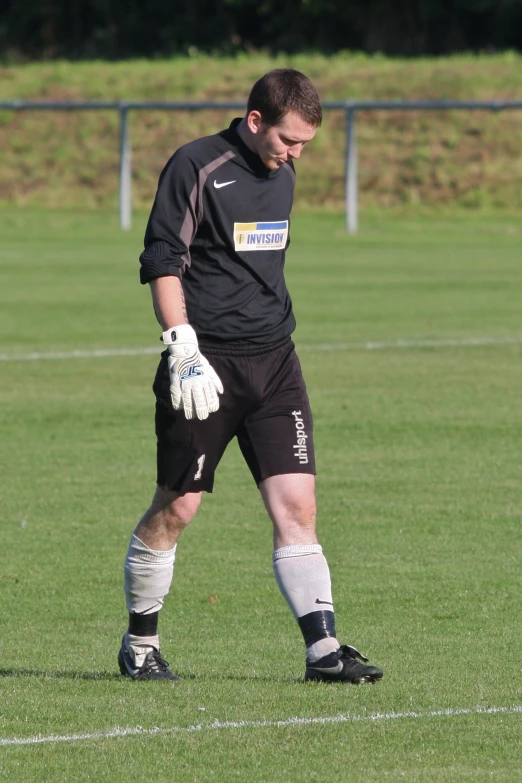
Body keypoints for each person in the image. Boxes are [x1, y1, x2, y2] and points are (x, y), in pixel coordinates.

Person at [118, 68, 383, 685]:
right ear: (256, 121)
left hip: (275, 362)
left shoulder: (281, 171)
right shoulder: (196, 166)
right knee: (177, 507)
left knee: (298, 505)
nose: (295, 156)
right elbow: (163, 259)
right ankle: (139, 645)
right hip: (204, 367)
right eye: (288, 141)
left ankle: (323, 651)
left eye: (305, 146)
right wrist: (181, 345)